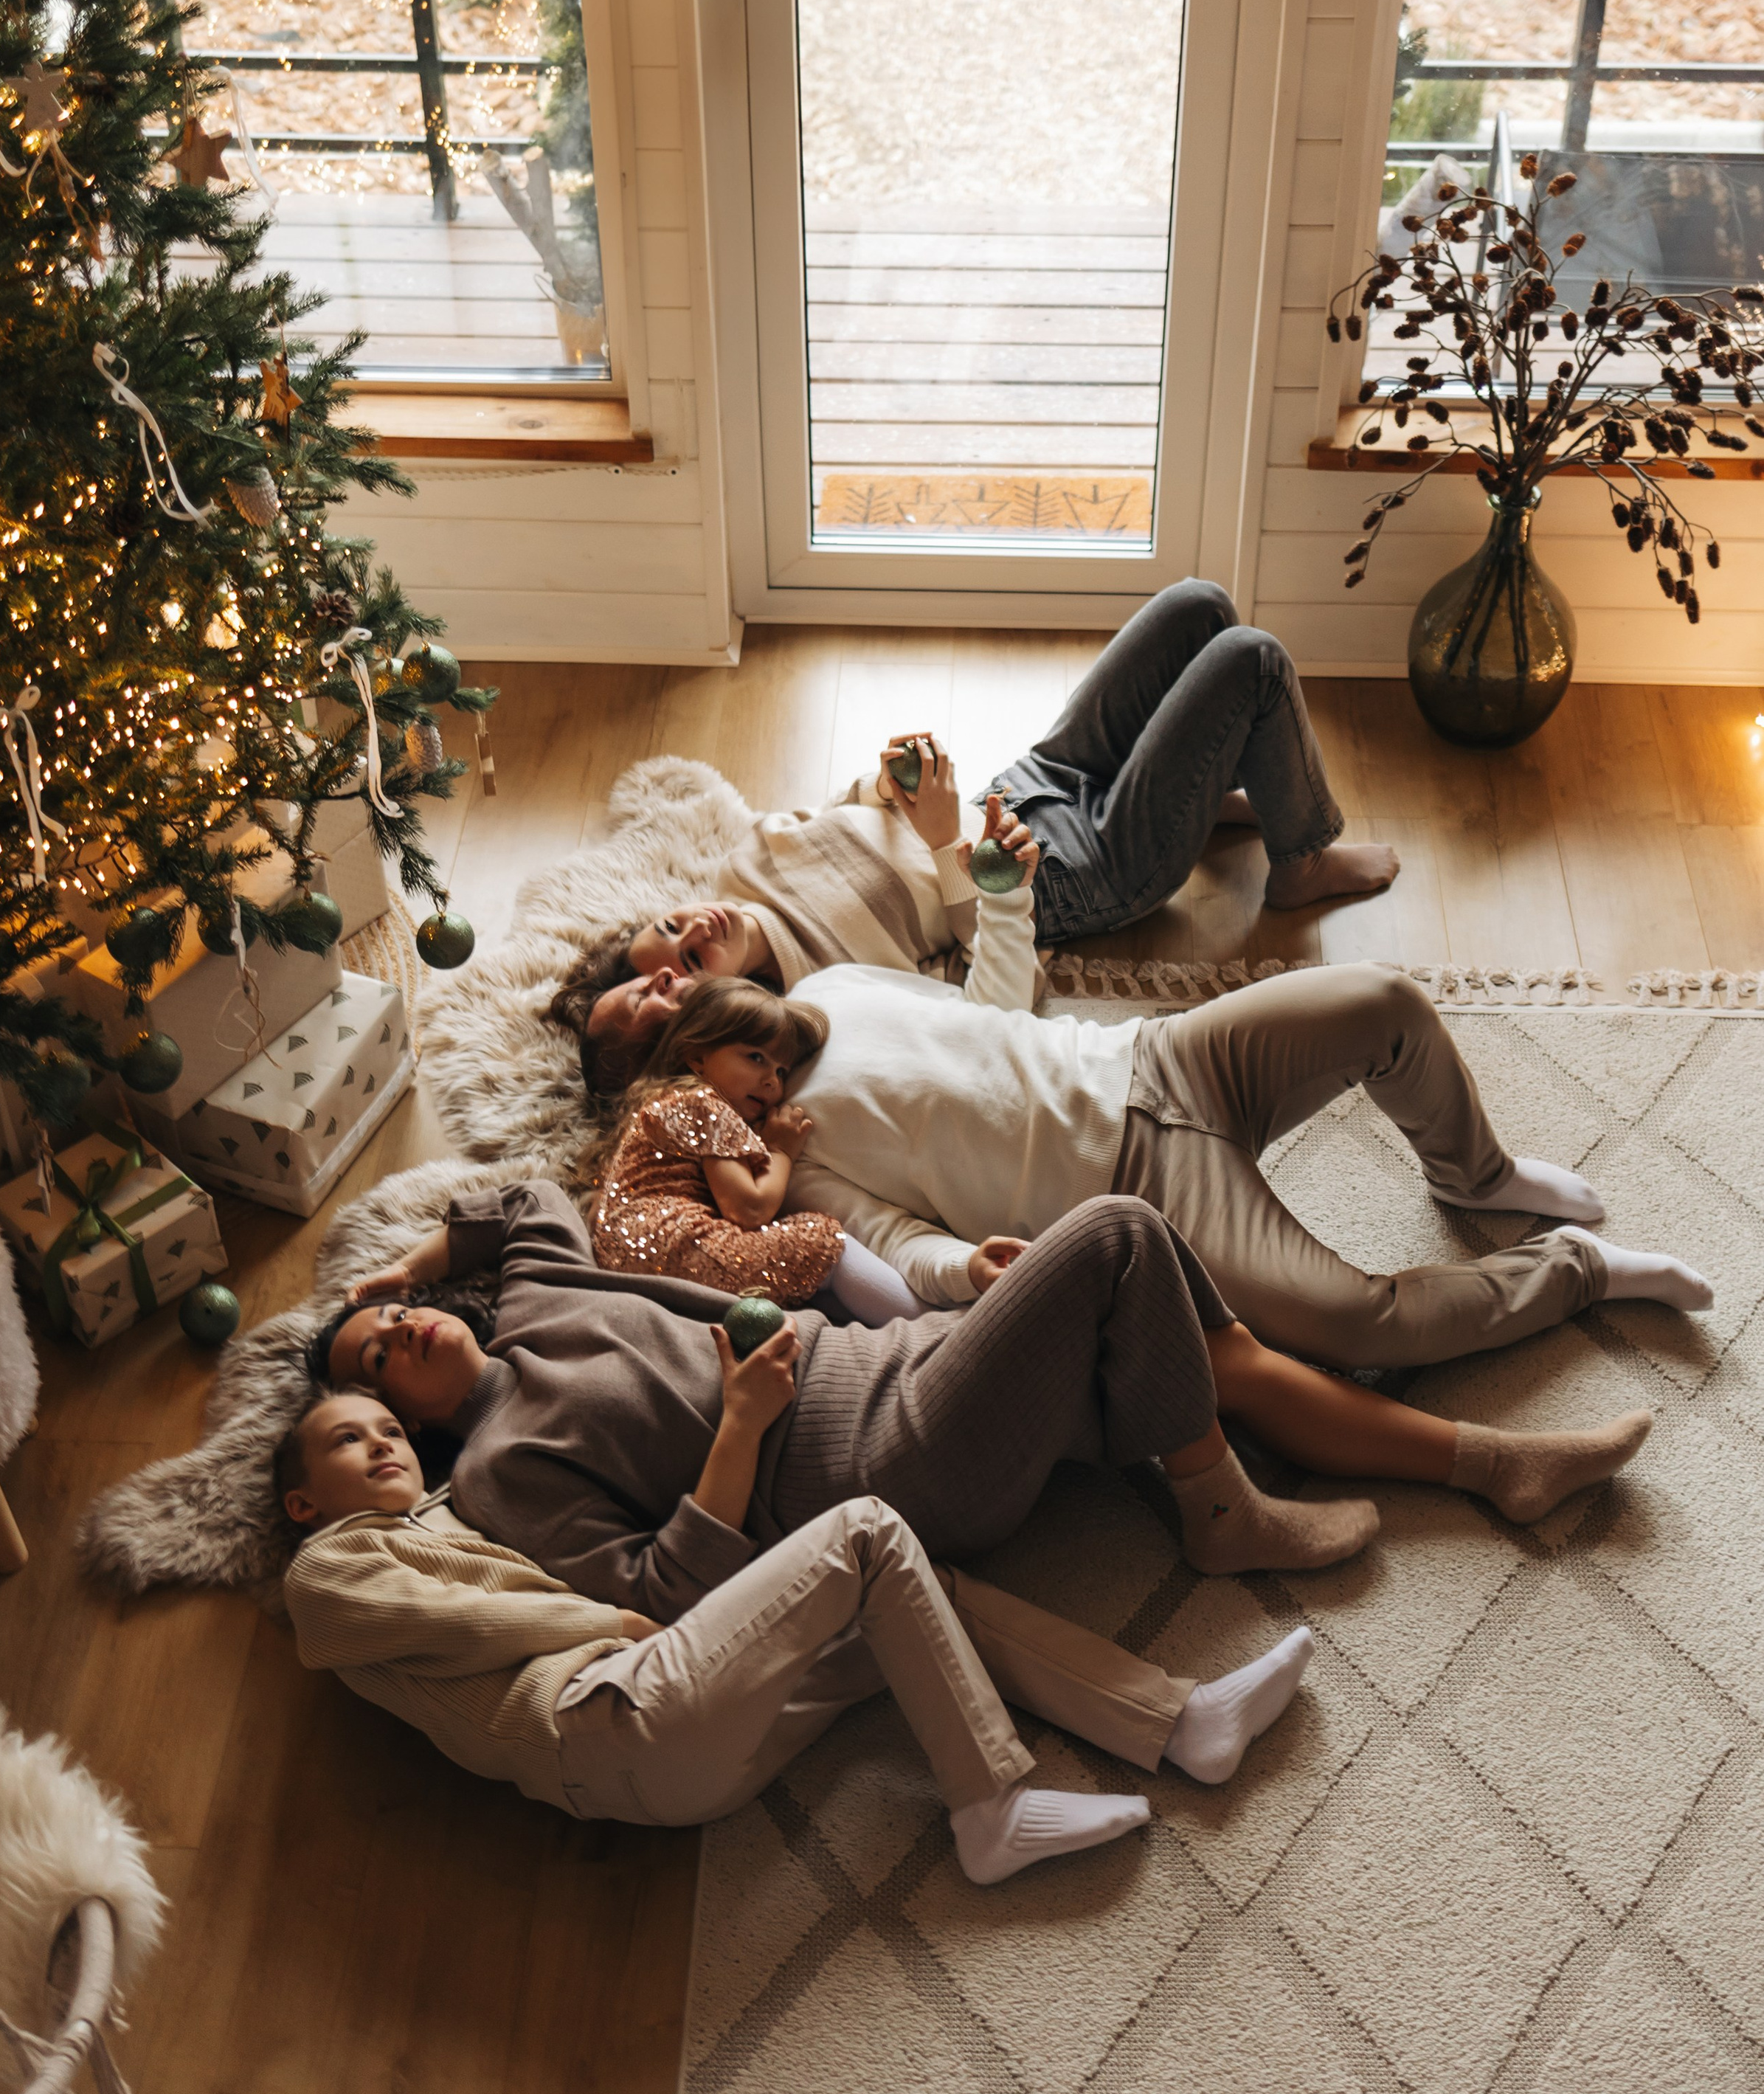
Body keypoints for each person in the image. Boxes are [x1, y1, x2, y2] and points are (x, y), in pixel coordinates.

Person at [311, 1181, 1652, 1628]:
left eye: (391, 1324)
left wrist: (414, 1257)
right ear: (408, 1425)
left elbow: (519, 1203)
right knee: (1121, 1235)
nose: (398, 1340)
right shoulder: (497, 1474)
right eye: (376, 1367)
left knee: (1178, 1313)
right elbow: (657, 1596)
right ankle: (1220, 1505)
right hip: (883, 1463)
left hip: (907, 1363)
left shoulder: (535, 1297)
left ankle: (1493, 1465)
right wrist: (737, 1427)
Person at [271, 1383, 1314, 1882]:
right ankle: (991, 1807)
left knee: (914, 1591)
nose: (380, 1444)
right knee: (863, 1533)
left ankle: (1180, 1724)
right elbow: (459, 1623)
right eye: (345, 1438)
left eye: (389, 1429)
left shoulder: (446, 1511)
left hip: (667, 1764)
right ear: (299, 1502)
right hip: (607, 1718)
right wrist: (611, 1620)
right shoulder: (324, 1571)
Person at [758, 903, 1715, 1364]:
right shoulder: (798, 1164)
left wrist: (1006, 899)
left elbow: (987, 1005)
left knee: (1385, 999)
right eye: (657, 1010)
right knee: (1357, 1327)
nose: (679, 986)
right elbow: (898, 1246)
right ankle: (1578, 1269)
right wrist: (968, 1269)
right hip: (1149, 1194)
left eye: (674, 976)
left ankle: (1473, 1173)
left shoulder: (828, 987)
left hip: (1157, 1056)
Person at [552, 578, 1400, 1091]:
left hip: (1027, 783)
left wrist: (890, 784)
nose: (694, 932)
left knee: (1198, 607)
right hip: (1081, 869)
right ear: (712, 1019)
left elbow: (847, 806)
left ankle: (1198, 787)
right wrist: (946, 849)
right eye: (692, 965)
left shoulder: (743, 864)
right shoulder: (823, 994)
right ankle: (1300, 859)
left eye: (671, 930)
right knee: (1249, 658)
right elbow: (1003, 994)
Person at [586, 976, 921, 1324]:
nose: (772, 1081)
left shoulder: (656, 1107)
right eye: (756, 1057)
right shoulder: (702, 1103)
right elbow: (749, 1207)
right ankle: (934, 1328)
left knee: (813, 1290)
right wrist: (781, 1151)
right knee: (822, 1242)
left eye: (781, 1070)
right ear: (696, 1058)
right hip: (675, 1247)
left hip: (625, 1266)